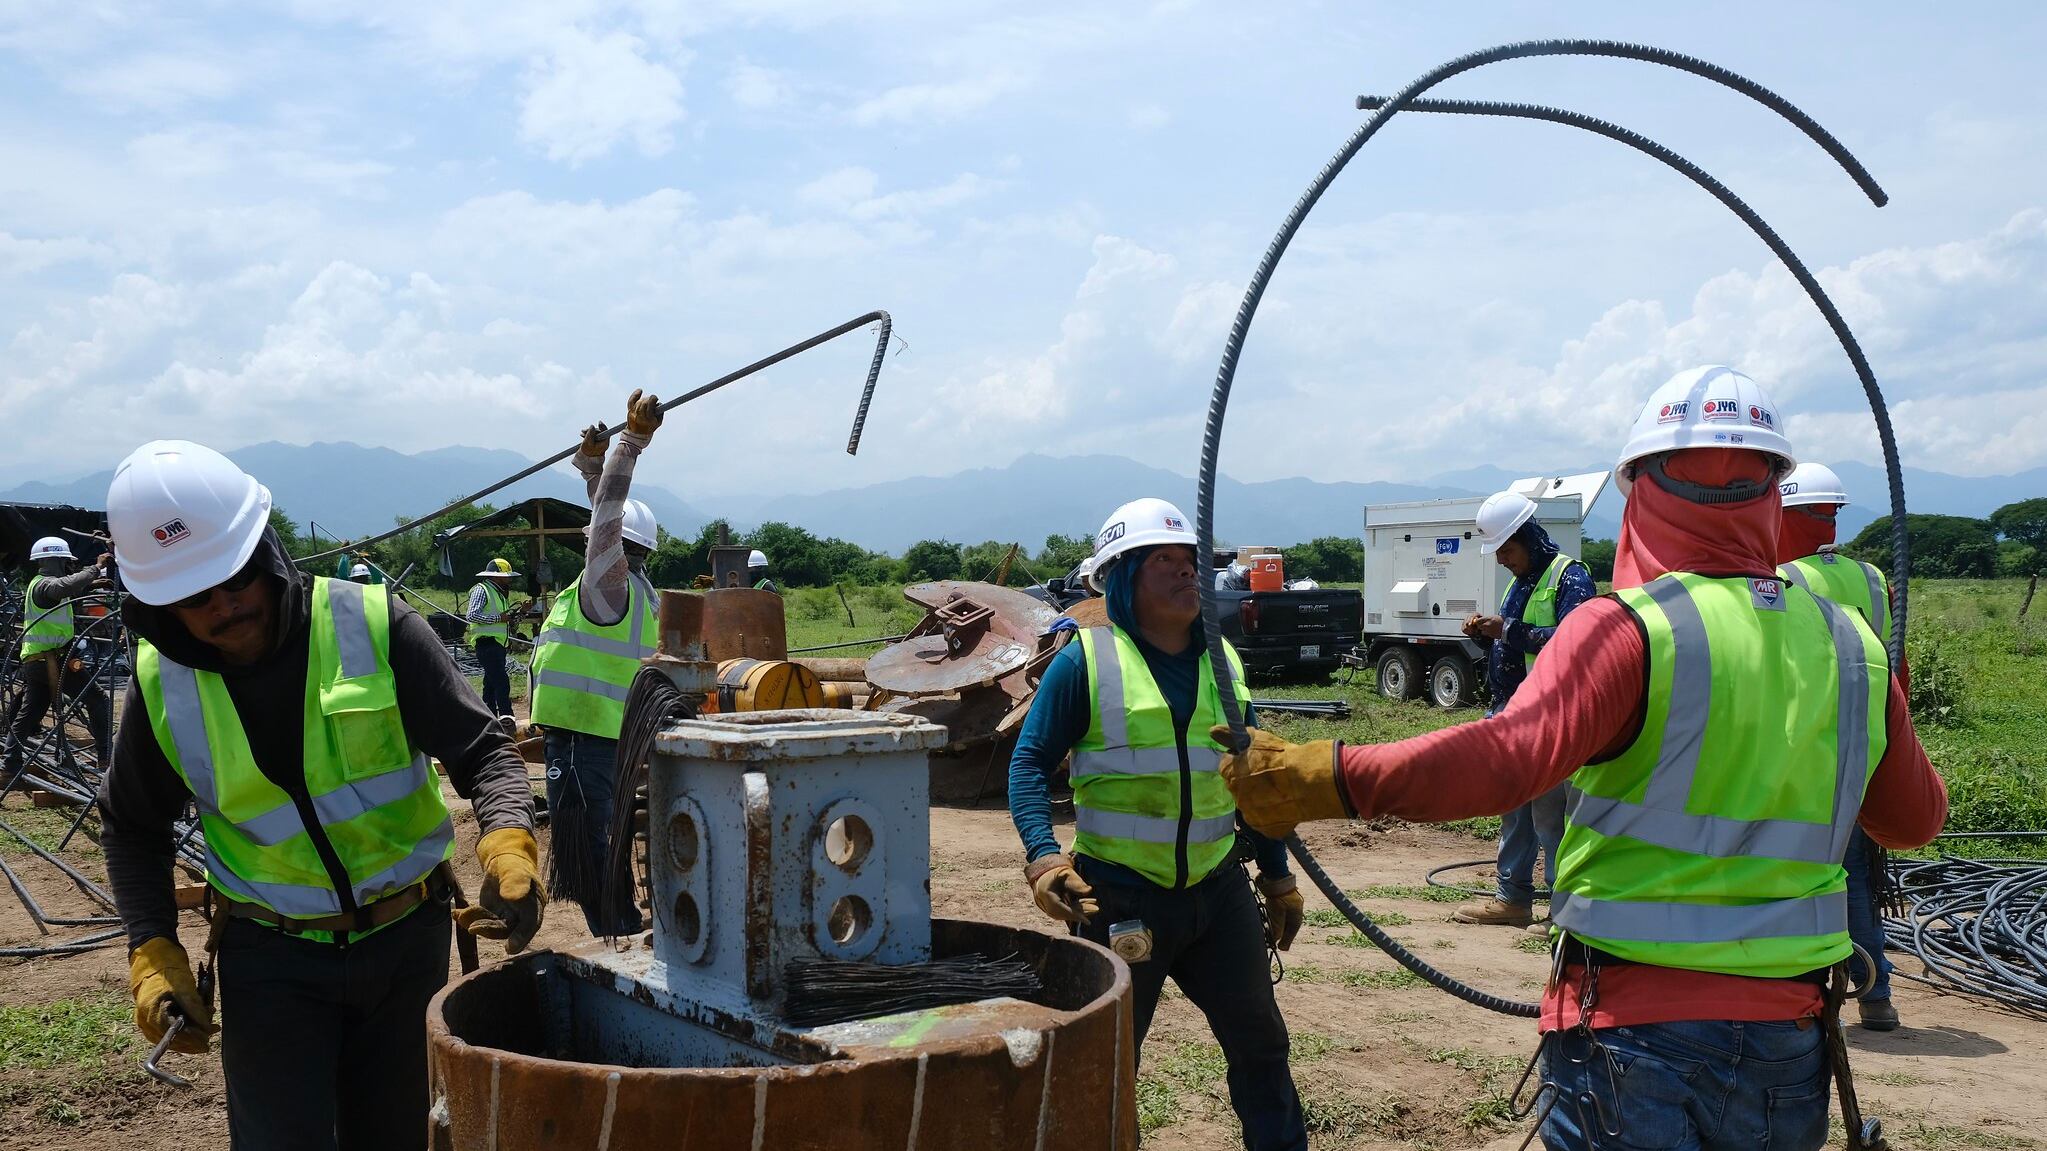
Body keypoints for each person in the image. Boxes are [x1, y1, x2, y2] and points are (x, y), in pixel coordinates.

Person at [1214, 366, 1946, 1151]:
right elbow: (1913, 819)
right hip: (1786, 1041)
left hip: (1635, 1034)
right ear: (1773, 492)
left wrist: (1321, 774)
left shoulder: (1631, 629)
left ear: (1640, 493)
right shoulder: (1851, 646)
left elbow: (1507, 757)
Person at [97, 440, 543, 1151]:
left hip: (406, 941)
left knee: (398, 1135)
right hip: (270, 960)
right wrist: (152, 947)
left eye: (234, 577)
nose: (223, 604)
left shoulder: (374, 625)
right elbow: (130, 827)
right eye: (193, 596)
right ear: (159, 607)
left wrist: (509, 836)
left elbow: (481, 747)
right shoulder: (164, 688)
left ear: (264, 552)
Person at [1008, 497, 1308, 1151]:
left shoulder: (1223, 663)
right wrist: (1043, 857)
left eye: (1190, 561)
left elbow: (1249, 778)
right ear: (1121, 576)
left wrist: (1276, 875)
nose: (1184, 572)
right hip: (1118, 896)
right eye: (1163, 560)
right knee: (1103, 1062)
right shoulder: (1083, 662)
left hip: (1218, 891)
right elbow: (1028, 762)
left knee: (1261, 1043)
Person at [530, 391, 663, 937]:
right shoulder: (629, 590)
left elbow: (608, 517)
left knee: (589, 852)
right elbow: (607, 517)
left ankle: (621, 941)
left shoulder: (608, 588)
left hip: (588, 744)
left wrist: (628, 446)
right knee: (597, 847)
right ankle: (623, 930)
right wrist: (590, 467)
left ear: (612, 546)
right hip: (600, 741)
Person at [1776, 460, 1901, 1031]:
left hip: (1813, 747)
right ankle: (1876, 995)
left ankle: (1799, 990)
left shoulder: (1785, 579)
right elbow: (1897, 664)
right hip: (1871, 737)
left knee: (1812, 868)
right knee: (1856, 868)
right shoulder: (1874, 579)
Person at [1451, 491, 1595, 934]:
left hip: (1550, 714)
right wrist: (1486, 635)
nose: (1502, 561)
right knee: (1514, 808)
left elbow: (1577, 641)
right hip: (1512, 713)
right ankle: (1511, 898)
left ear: (1528, 538)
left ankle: (1560, 907)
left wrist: (1508, 629)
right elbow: (1514, 642)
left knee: (1551, 816)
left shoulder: (1570, 578)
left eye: (1506, 551)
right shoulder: (1522, 582)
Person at [4, 536, 114, 783]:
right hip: (52, 661)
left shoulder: (41, 585)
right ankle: (106, 758)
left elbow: (67, 588)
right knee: (99, 700)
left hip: (39, 661)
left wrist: (92, 583)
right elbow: (63, 587)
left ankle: (10, 762)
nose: (68, 566)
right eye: (66, 562)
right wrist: (95, 567)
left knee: (31, 712)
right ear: (55, 560)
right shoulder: (45, 586)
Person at [465, 558, 523, 721]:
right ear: (497, 577)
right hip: (487, 643)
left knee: (490, 684)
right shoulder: (481, 590)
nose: (509, 579)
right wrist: (499, 618)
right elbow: (472, 615)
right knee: (501, 682)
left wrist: (521, 613)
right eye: (507, 576)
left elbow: (507, 620)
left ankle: (488, 718)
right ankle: (506, 716)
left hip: (497, 645)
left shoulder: (499, 594)